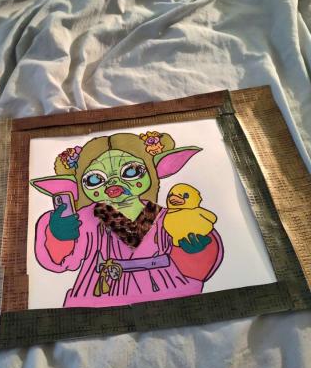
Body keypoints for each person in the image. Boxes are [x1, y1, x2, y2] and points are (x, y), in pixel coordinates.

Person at [32, 131, 223, 308]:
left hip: (164, 289)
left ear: (152, 170)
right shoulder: (86, 218)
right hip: (102, 290)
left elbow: (194, 254)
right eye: (94, 179)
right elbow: (64, 260)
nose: (113, 183)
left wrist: (194, 250)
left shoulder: (167, 216)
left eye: (130, 171)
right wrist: (59, 235)